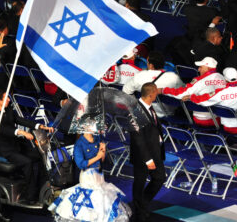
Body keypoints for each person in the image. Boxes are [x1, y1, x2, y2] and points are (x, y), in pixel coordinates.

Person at [0, 90, 54, 204]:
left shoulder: (9, 109)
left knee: (38, 156)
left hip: (15, 144)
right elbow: (3, 129)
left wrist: (39, 126)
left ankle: (42, 187)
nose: (9, 100)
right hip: (4, 148)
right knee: (27, 162)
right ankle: (30, 196)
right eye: (6, 98)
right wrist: (21, 132)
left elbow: (20, 120)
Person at [48, 131, 131, 221]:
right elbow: (81, 164)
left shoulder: (97, 139)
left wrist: (103, 150)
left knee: (102, 198)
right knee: (93, 197)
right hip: (88, 176)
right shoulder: (79, 144)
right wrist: (98, 156)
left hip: (99, 175)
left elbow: (102, 160)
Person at [130, 82, 165, 222]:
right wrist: (148, 159)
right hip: (142, 156)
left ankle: (142, 204)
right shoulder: (135, 111)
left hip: (155, 151)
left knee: (159, 177)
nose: (157, 93)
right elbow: (138, 139)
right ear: (151, 95)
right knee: (139, 182)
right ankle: (139, 211)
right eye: (156, 92)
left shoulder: (150, 107)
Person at [159, 57, 226, 126]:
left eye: (201, 67)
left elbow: (181, 93)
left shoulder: (199, 81)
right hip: (220, 120)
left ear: (208, 68)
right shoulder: (222, 78)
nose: (198, 69)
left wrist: (163, 90)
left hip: (202, 120)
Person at [187, 68, 237, 134]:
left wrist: (190, 96)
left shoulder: (221, 92)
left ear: (224, 79)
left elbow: (203, 100)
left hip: (229, 128)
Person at [123, 51, 184, 117]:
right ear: (163, 64)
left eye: (147, 62)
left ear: (151, 65)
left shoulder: (139, 76)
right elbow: (185, 92)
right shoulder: (173, 77)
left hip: (146, 112)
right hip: (169, 113)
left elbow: (126, 91)